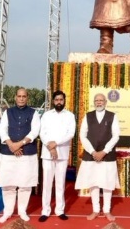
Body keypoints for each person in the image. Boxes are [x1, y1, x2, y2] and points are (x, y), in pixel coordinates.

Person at [0, 88, 41, 223]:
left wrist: (19, 144)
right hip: (8, 153)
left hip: (26, 154)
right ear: (15, 97)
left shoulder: (34, 113)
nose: (21, 98)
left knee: (25, 184)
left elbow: (34, 132)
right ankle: (7, 212)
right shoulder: (7, 112)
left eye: (24, 96)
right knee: (8, 184)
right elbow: (2, 130)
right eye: (19, 96)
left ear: (27, 98)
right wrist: (11, 145)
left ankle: (22, 211)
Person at [75, 93, 120, 221]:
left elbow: (116, 135)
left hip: (107, 155)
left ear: (105, 102)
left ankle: (106, 210)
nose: (99, 102)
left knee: (107, 183)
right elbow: (82, 135)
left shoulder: (113, 116)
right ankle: (95, 210)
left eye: (101, 100)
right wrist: (93, 152)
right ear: (94, 102)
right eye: (96, 100)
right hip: (91, 155)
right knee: (93, 182)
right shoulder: (88, 116)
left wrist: (104, 151)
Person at [38, 90, 76, 222]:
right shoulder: (46, 115)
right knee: (47, 183)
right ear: (53, 101)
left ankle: (60, 210)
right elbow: (42, 132)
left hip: (63, 153)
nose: (59, 102)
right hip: (47, 153)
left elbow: (70, 133)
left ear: (64, 101)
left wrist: (56, 143)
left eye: (61, 100)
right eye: (56, 100)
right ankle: (45, 210)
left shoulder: (70, 116)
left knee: (60, 183)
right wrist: (50, 146)